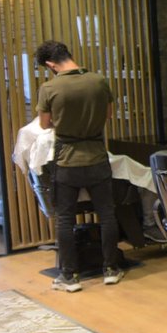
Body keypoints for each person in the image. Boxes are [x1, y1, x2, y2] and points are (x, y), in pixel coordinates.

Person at [33, 41, 124, 292]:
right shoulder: (98, 81)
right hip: (97, 157)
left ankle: (69, 277)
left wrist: (64, 122)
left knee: (65, 219)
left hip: (67, 161)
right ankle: (111, 270)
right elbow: (107, 115)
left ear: (51, 65)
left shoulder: (49, 88)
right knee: (107, 215)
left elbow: (44, 124)